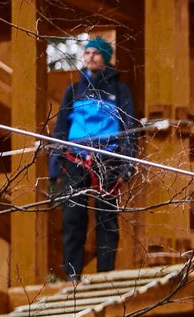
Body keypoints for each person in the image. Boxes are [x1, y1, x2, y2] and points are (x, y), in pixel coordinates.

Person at [49, 36, 138, 281]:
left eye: (95, 53)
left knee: (106, 216)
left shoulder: (119, 91)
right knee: (72, 216)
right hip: (76, 158)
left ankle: (105, 273)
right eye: (87, 53)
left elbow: (129, 127)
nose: (89, 57)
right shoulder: (74, 90)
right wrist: (55, 167)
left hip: (107, 158)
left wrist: (127, 163)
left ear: (105, 59)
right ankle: (72, 273)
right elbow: (61, 130)